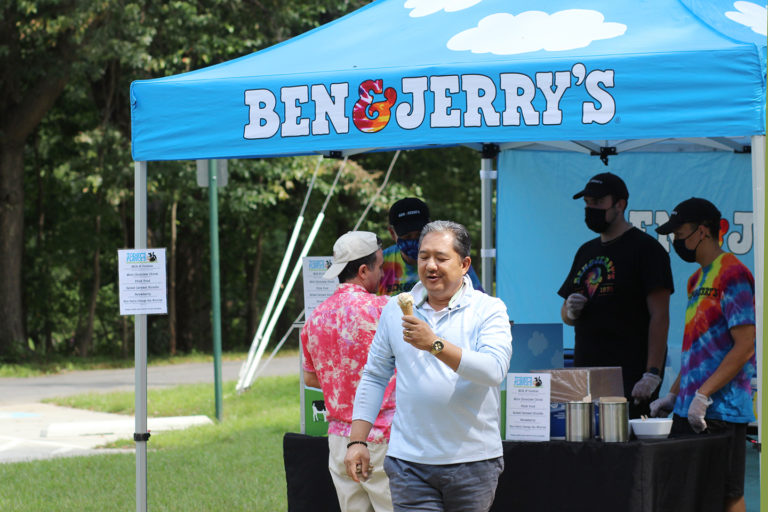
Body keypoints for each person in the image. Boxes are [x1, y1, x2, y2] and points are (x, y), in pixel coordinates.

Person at [346, 220, 512, 512]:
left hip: (473, 461)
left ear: (464, 264)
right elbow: (374, 376)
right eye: (424, 257)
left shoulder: (489, 309)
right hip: (409, 463)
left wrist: (435, 344)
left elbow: (493, 370)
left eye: (441, 257)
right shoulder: (395, 308)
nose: (430, 265)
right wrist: (357, 441)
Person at [651, 198, 755, 512]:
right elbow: (698, 351)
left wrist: (705, 395)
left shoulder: (734, 274)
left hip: (722, 410)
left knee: (727, 493)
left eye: (680, 232)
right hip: (689, 409)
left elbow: (746, 344)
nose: (677, 241)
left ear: (703, 230)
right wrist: (672, 395)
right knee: (688, 493)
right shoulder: (695, 280)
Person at [558, 172, 674, 418]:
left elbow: (660, 315)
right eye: (587, 202)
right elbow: (566, 316)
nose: (591, 208)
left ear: (620, 205)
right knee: (585, 449)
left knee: (627, 450)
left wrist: (652, 373)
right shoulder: (585, 251)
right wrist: (570, 310)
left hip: (630, 378)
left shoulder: (647, 249)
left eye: (598, 202)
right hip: (586, 376)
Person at [301, 231, 395, 512]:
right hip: (382, 437)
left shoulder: (316, 317)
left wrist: (341, 383)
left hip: (339, 441)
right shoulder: (383, 310)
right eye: (379, 267)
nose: (382, 274)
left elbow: (309, 377)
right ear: (364, 270)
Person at [378, 197, 483, 295]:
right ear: (392, 233)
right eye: (407, 236)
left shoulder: (453, 260)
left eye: (419, 234)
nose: (414, 241)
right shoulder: (381, 264)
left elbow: (478, 302)